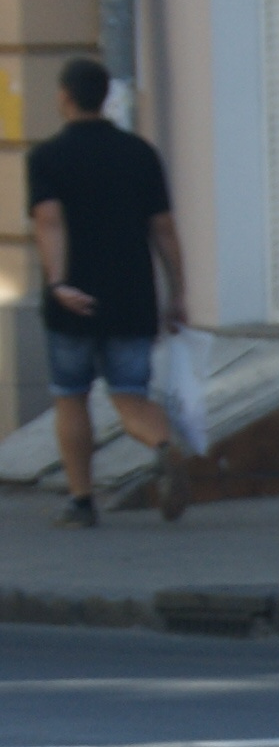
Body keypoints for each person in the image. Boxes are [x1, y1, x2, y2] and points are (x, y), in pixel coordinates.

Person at [25, 57, 191, 526]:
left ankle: (82, 502)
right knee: (130, 397)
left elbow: (49, 222)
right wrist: (177, 293)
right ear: (106, 98)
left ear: (64, 97)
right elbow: (164, 230)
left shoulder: (47, 158)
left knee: (71, 396)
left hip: (73, 301)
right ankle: (163, 446)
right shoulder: (140, 153)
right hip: (132, 294)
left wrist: (59, 282)